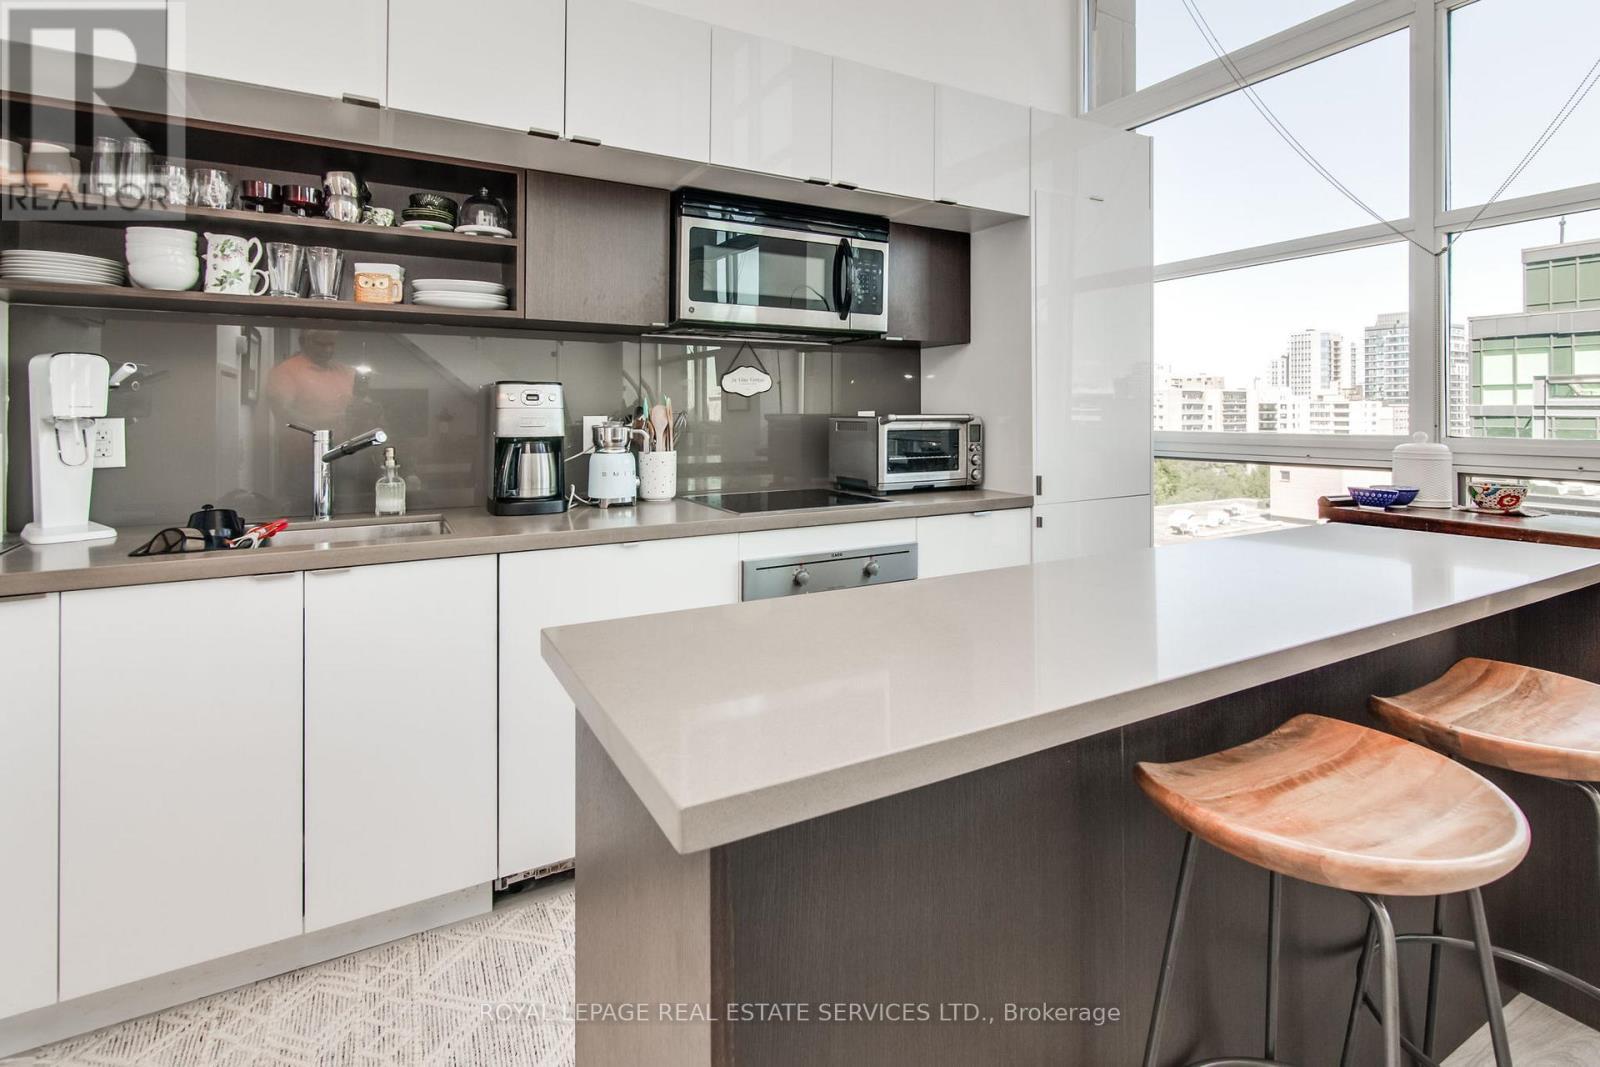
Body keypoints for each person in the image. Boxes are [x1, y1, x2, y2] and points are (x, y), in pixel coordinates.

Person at [266, 329, 356, 427]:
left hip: (346, 437)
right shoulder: (285, 371)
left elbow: (355, 408)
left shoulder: (344, 371)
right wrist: (329, 420)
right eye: (321, 344)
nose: (328, 350)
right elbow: (284, 415)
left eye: (331, 344)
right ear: (302, 342)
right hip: (303, 436)